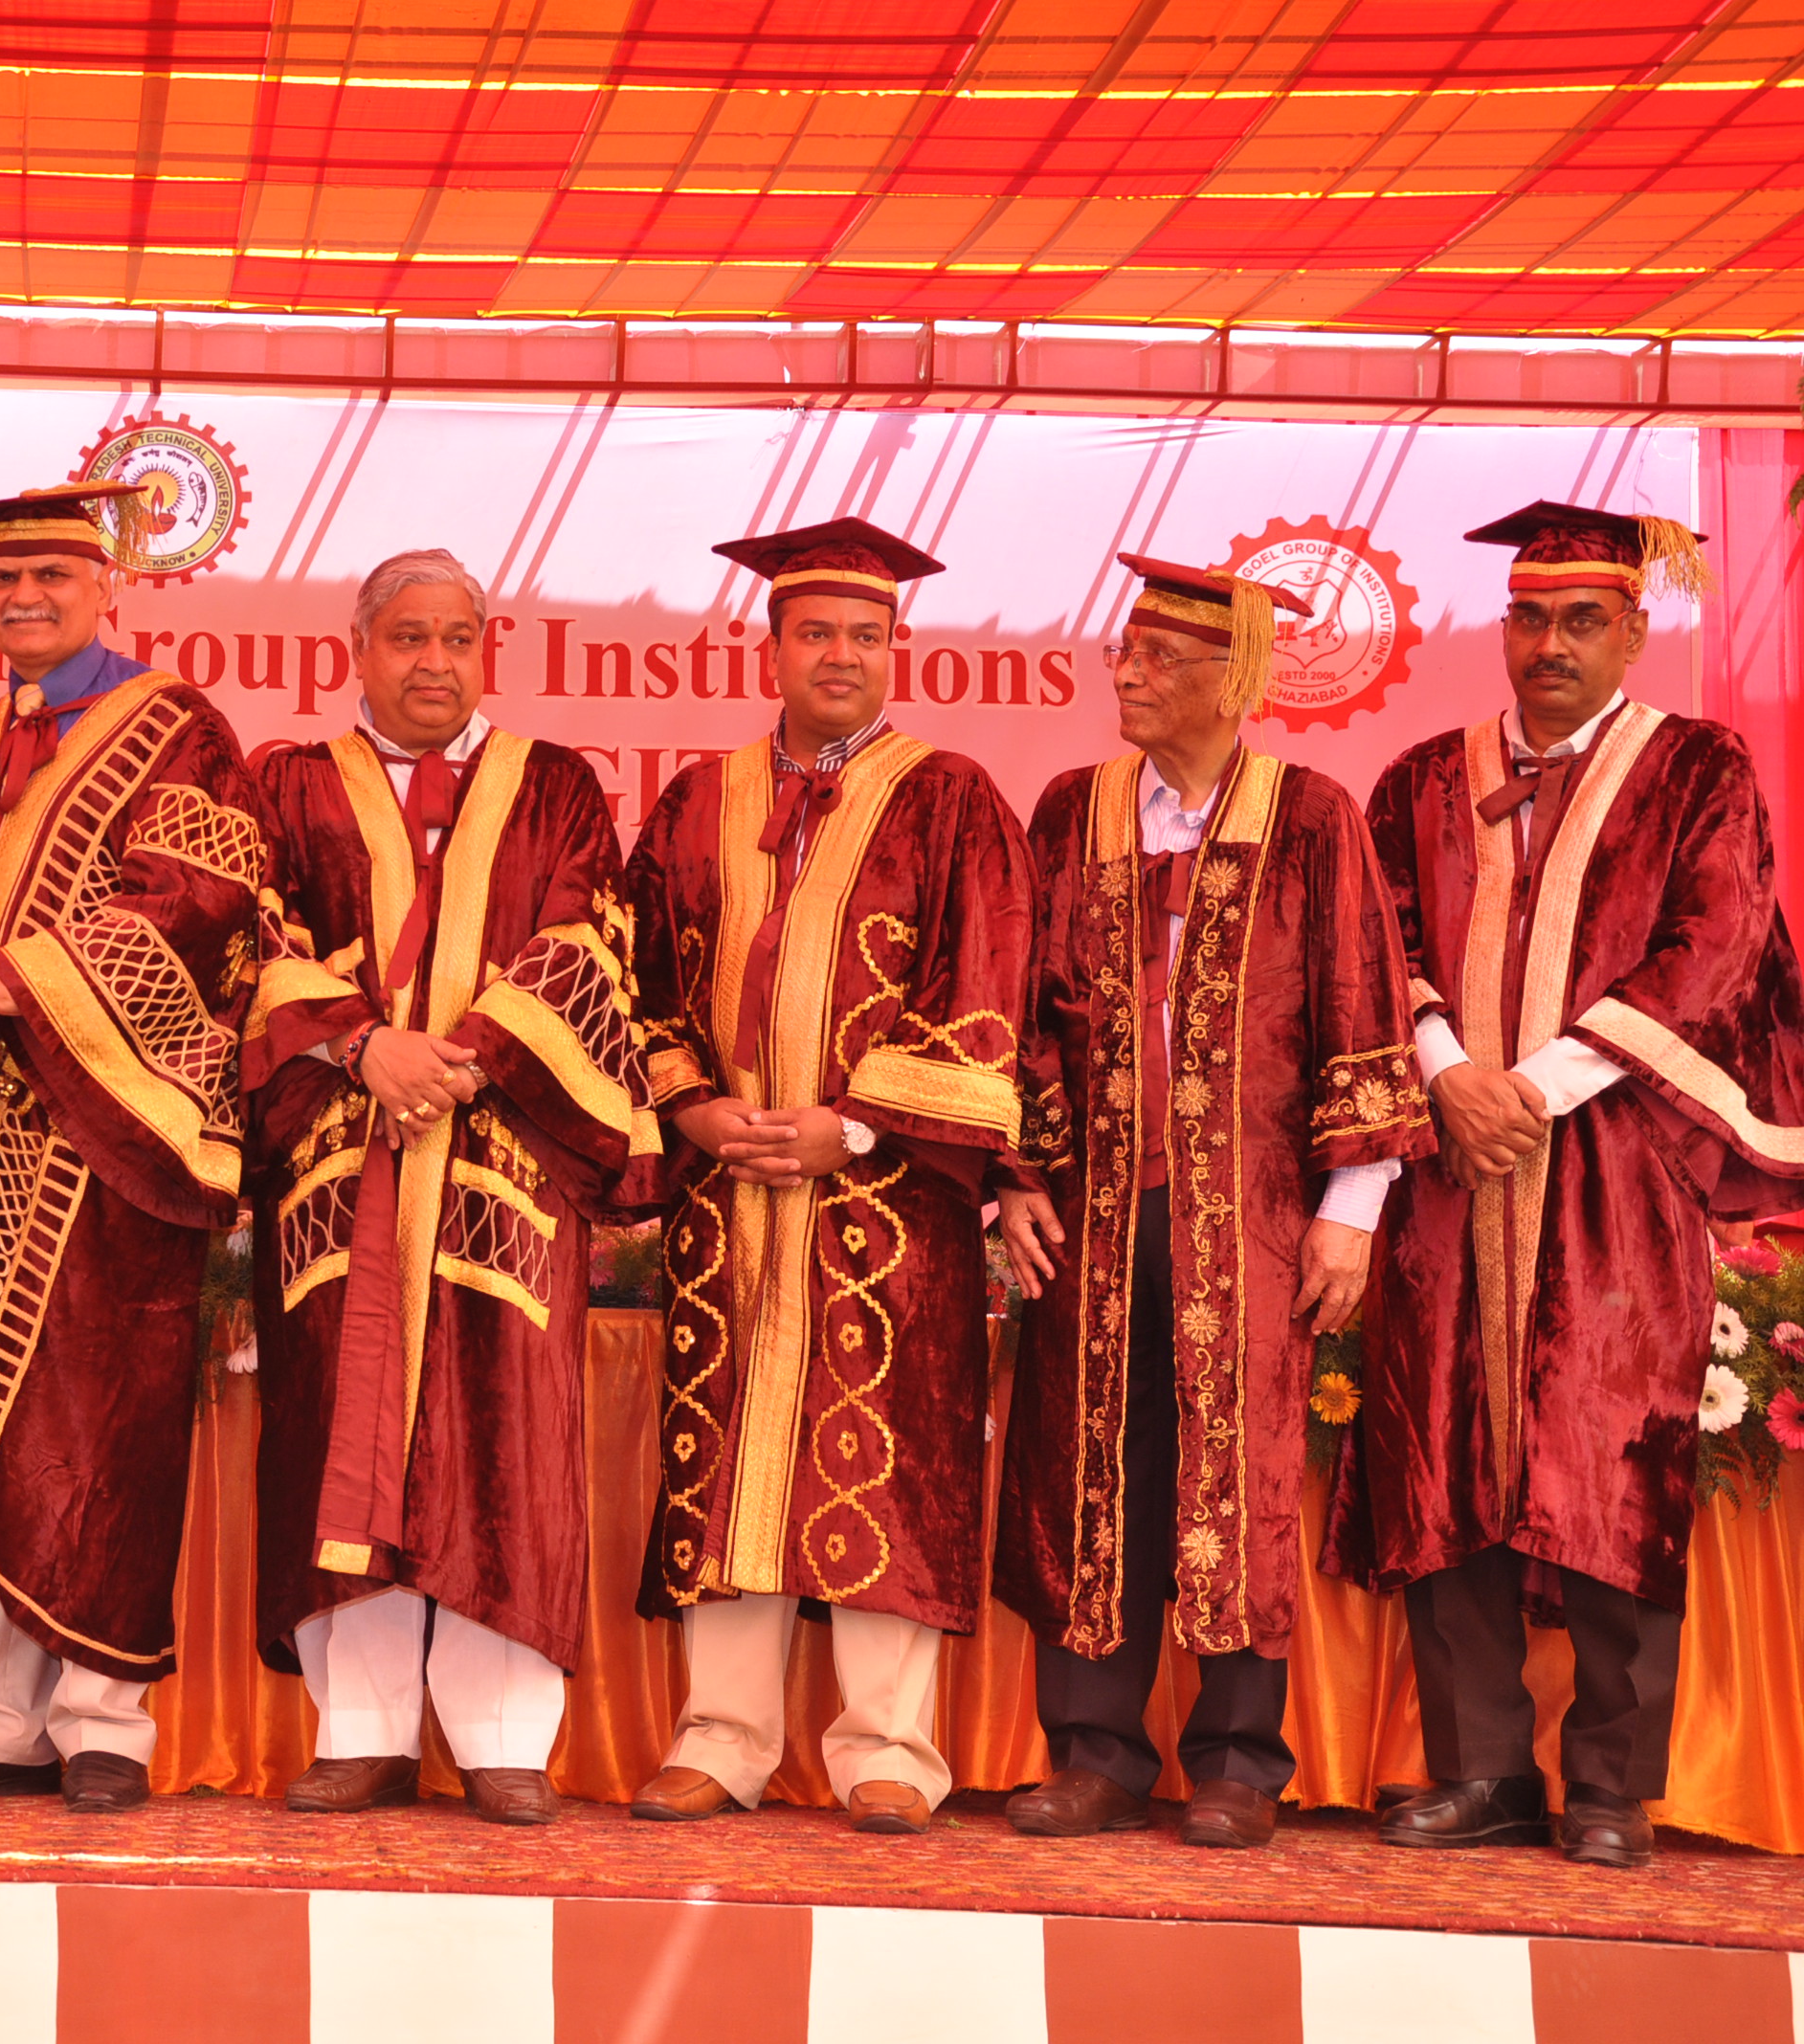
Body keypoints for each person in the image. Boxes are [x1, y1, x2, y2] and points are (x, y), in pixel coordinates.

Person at [1327, 502, 1804, 1871]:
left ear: (1634, 631)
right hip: (1450, 1162)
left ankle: (1609, 1787)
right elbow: (1378, 942)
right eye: (1530, 617)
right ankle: (1480, 1773)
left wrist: (1534, 1086)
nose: (1551, 644)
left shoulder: (1699, 768)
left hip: (1614, 1161)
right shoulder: (1423, 778)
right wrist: (1448, 1074)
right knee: (1444, 1451)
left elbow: (1715, 946)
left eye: (1583, 619)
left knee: (1615, 1452)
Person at [993, 556, 1433, 1849]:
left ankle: (1239, 1762)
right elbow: (1020, 1011)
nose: (1127, 674)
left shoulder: (1311, 815)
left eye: (1158, 658)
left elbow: (1359, 1002)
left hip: (1252, 1213)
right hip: (1092, 1210)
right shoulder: (1073, 811)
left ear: (1232, 679)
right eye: (1124, 652)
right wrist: (1016, 1180)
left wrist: (1353, 1205)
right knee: (1092, 1470)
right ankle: (1094, 1755)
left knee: (1241, 1472)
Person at [0, 482, 269, 1816]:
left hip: (103, 1133)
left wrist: (21, 978)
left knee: (94, 1424)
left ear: (108, 588)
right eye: (3, 578)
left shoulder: (179, 726)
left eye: (52, 576)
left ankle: (102, 1724)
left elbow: (198, 903)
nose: (24, 598)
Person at [619, 519, 1032, 1834]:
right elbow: (638, 975)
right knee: (727, 1444)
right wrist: (690, 1108)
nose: (840, 654)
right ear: (773, 645)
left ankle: (886, 1750)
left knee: (885, 1454)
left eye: (864, 633)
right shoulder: (700, 800)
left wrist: (848, 1127)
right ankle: (723, 1739)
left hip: (886, 1198)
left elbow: (984, 988)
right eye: (815, 632)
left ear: (896, 648)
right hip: (727, 1190)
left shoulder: (951, 797)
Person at [244, 549, 655, 1825]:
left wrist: (462, 1057)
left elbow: (588, 938)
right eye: (408, 637)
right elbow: (253, 935)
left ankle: (503, 1740)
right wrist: (363, 1045)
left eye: (457, 638)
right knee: (342, 1415)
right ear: (357, 652)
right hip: (340, 1150)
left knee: (504, 1424)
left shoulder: (556, 785)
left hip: (501, 1156)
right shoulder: (289, 783)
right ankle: (361, 1734)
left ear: (488, 650)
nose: (434, 661)